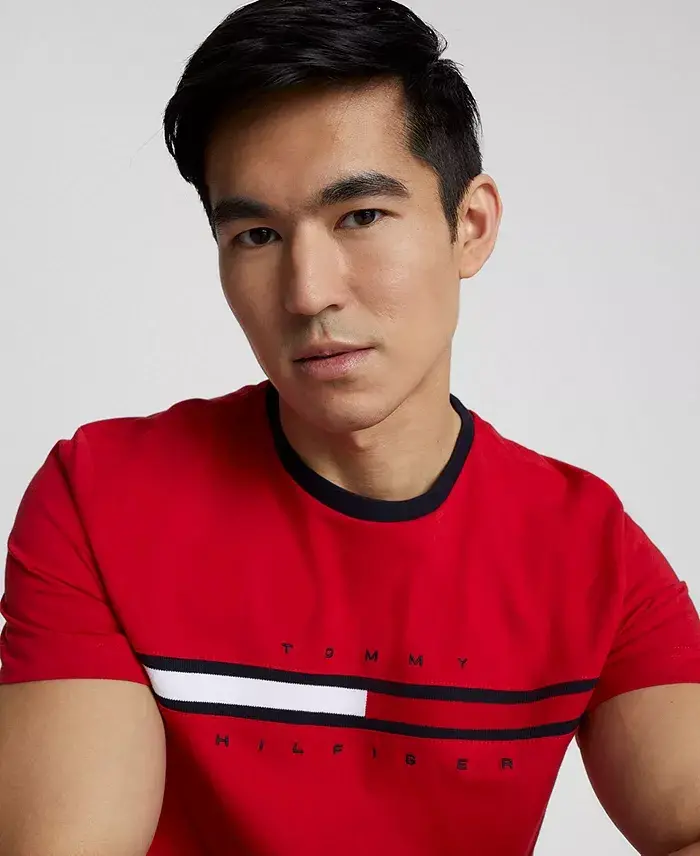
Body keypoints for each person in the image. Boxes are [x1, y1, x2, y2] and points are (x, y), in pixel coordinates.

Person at [1, 0, 699, 853]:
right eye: (256, 234)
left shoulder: (590, 551)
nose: (307, 291)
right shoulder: (101, 497)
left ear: (471, 226)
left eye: (360, 216)